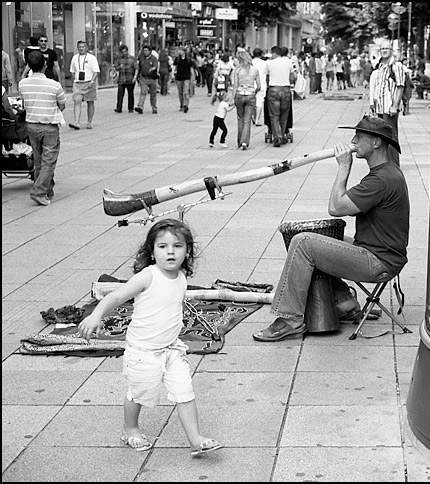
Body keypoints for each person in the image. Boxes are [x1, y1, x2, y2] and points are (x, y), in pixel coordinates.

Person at [253, 116, 409, 342]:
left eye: (358, 136)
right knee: (322, 236)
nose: (353, 140)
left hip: (378, 261)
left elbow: (335, 207)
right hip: (376, 252)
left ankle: (289, 319)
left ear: (376, 143)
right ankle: (344, 302)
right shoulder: (386, 172)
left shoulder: (382, 179)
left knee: (303, 242)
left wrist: (344, 166)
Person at [78, 219, 223, 457]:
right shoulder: (148, 276)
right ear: (152, 252)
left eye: (177, 246)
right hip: (143, 351)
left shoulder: (181, 277)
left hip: (171, 349)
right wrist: (96, 316)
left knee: (185, 391)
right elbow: (115, 297)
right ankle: (130, 429)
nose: (170, 252)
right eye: (163, 246)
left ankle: (196, 439)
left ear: (187, 252)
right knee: (139, 392)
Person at [18, 50, 66, 207]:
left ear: (29, 66)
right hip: (49, 126)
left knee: (39, 161)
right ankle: (38, 192)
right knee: (49, 161)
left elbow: (24, 102)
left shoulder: (23, 84)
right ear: (45, 65)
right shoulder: (54, 85)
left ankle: (47, 189)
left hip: (31, 125)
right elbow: (62, 105)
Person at [371, 40, 405, 165]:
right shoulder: (380, 66)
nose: (384, 50)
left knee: (391, 137)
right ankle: (385, 164)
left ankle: (394, 165)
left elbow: (400, 86)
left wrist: (395, 105)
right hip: (380, 107)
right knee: (382, 136)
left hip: (389, 107)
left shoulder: (396, 66)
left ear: (391, 51)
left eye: (387, 48)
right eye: (382, 49)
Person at [230, 49, 260, 150]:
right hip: (250, 94)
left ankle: (239, 141)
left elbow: (235, 85)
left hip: (239, 94)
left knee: (240, 118)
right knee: (247, 120)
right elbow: (259, 86)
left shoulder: (237, 70)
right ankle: (244, 142)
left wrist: (232, 98)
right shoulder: (255, 70)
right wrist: (254, 92)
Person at [265, 46, 295, 147]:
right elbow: (292, 77)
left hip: (273, 89)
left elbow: (267, 77)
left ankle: (277, 137)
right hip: (286, 89)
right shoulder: (289, 62)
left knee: (274, 115)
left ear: (274, 53)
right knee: (284, 116)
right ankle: (282, 135)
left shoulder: (269, 63)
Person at [68, 40, 100, 130]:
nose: (81, 48)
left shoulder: (92, 58)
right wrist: (74, 81)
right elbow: (72, 71)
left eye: (83, 47)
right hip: (78, 83)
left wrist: (92, 81)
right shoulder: (74, 58)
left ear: (86, 48)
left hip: (89, 82)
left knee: (90, 102)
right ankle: (77, 122)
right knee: (77, 101)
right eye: (79, 47)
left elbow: (96, 71)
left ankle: (89, 122)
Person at [134, 45, 159, 115]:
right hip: (143, 78)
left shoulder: (154, 58)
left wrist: (153, 69)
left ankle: (154, 107)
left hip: (152, 78)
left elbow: (155, 66)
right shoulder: (141, 58)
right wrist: (137, 76)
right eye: (144, 51)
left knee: (153, 94)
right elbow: (138, 67)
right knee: (143, 92)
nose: (145, 52)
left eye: (146, 51)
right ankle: (140, 106)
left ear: (150, 51)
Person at [113, 45, 136, 113]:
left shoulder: (132, 58)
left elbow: (136, 68)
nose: (124, 53)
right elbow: (116, 68)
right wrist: (120, 66)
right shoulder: (119, 59)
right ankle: (119, 107)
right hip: (121, 79)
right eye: (122, 52)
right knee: (120, 94)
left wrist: (135, 77)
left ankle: (131, 108)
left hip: (130, 78)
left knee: (130, 94)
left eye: (125, 51)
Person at [251, 48, 268, 126]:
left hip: (251, 84)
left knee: (252, 102)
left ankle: (253, 117)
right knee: (259, 102)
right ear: (261, 54)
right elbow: (266, 74)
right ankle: (257, 119)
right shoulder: (264, 63)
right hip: (262, 84)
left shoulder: (250, 62)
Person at [173, 48, 192, 113]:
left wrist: (193, 77)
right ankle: (181, 105)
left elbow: (191, 69)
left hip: (186, 77)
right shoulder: (177, 59)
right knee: (180, 92)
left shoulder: (188, 59)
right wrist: (172, 74)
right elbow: (174, 66)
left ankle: (185, 105)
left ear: (184, 52)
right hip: (179, 77)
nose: (179, 52)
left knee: (185, 92)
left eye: (180, 51)